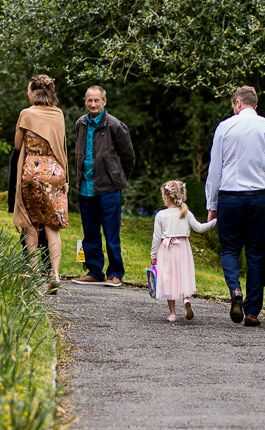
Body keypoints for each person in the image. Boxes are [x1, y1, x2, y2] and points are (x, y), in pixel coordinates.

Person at [205, 85, 265, 325]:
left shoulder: (225, 127)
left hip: (230, 197)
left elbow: (215, 170)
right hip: (260, 197)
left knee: (230, 249)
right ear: (255, 105)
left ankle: (235, 290)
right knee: (256, 253)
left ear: (238, 104)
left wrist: (212, 204)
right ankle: (252, 312)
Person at [70, 85, 135, 286]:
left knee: (111, 232)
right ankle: (94, 270)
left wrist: (116, 177)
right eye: (89, 100)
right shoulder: (80, 123)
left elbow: (128, 157)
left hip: (109, 188)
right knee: (90, 231)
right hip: (85, 187)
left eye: (96, 100)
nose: (93, 104)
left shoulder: (115, 125)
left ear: (104, 102)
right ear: (85, 101)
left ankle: (115, 273)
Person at [13, 74, 69, 292]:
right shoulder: (59, 114)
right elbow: (61, 144)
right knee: (51, 225)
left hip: (33, 171)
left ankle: (35, 275)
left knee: (30, 224)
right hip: (55, 171)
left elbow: (18, 145)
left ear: (33, 92)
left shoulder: (26, 114)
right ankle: (54, 274)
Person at [150, 179, 216, 323]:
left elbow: (156, 237)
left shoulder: (161, 215)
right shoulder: (186, 213)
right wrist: (214, 222)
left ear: (165, 196)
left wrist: (153, 254)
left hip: (167, 250)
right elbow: (199, 228)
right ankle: (185, 299)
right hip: (183, 249)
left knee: (169, 279)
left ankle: (173, 313)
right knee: (182, 275)